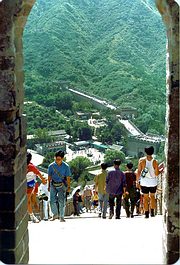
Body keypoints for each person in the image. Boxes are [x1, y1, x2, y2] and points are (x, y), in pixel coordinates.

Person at [137, 146, 163, 218]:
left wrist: (137, 181)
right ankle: (152, 212)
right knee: (152, 197)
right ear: (153, 152)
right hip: (152, 182)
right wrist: (161, 170)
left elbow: (139, 171)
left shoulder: (141, 160)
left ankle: (146, 213)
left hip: (144, 182)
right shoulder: (155, 161)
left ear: (145, 152)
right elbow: (157, 173)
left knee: (145, 198)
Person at [48, 150, 71, 222]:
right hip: (53, 184)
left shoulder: (66, 166)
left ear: (62, 159)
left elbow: (68, 177)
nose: (57, 161)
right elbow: (49, 176)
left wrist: (68, 187)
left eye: (59, 159)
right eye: (56, 159)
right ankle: (55, 214)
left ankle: (61, 216)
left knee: (62, 201)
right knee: (52, 200)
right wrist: (48, 185)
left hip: (62, 185)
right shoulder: (51, 166)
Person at [26, 152, 47, 223]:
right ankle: (33, 216)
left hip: (30, 184)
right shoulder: (24, 166)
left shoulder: (31, 167)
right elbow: (39, 174)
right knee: (28, 201)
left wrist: (43, 180)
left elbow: (39, 174)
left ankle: (33, 216)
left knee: (30, 201)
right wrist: (43, 180)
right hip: (27, 184)